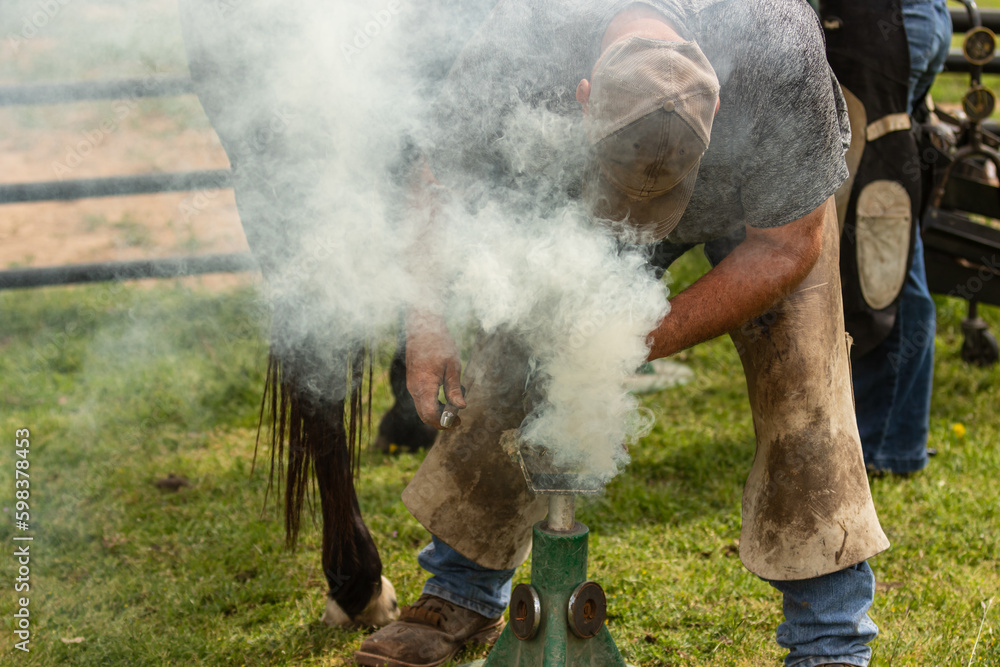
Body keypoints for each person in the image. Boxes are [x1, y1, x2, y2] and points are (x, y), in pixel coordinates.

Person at [355, 2, 889, 666]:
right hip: (575, 188)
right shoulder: (531, 30)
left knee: (805, 382)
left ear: (718, 105)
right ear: (583, 94)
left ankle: (829, 640)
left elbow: (787, 246)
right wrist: (426, 321)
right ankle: (462, 588)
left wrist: (636, 337)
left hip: (761, 208)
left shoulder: (775, 41)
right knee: (521, 338)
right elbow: (439, 171)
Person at [845, 0, 951, 475]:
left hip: (886, 22)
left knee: (882, 228)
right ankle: (895, 434)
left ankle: (886, 439)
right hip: (903, 18)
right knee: (890, 230)